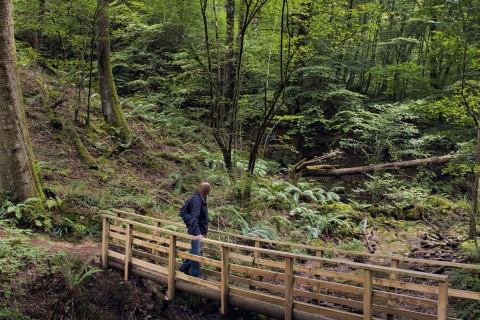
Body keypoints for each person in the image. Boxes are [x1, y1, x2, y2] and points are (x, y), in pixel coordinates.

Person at [179, 181, 210, 279]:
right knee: (196, 252)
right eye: (209, 190)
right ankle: (195, 273)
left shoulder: (202, 198)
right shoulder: (197, 200)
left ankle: (183, 267)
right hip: (197, 231)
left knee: (194, 250)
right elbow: (194, 218)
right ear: (206, 190)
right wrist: (198, 233)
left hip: (200, 230)